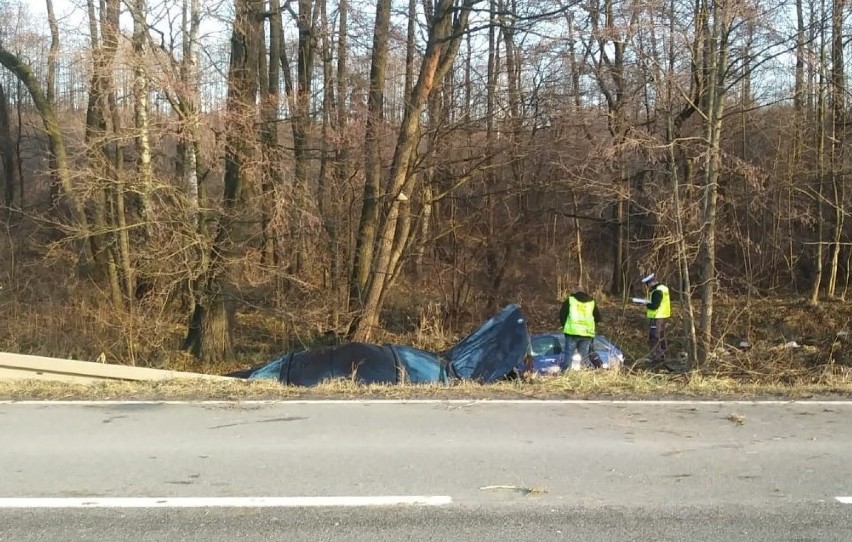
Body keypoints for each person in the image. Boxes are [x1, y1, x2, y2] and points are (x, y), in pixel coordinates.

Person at [559, 288, 602, 369]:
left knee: (568, 356)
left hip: (572, 332)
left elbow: (562, 315)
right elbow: (598, 318)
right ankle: (584, 376)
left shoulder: (570, 300)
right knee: (584, 358)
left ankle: (566, 375)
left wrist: (565, 325)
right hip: (586, 333)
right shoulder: (592, 302)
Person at [633, 273, 671, 362]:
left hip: (656, 317)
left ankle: (656, 357)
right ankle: (664, 355)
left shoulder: (657, 291)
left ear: (651, 283)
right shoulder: (664, 288)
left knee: (654, 337)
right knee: (662, 337)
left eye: (647, 284)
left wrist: (646, 303)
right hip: (663, 316)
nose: (648, 287)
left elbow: (654, 306)